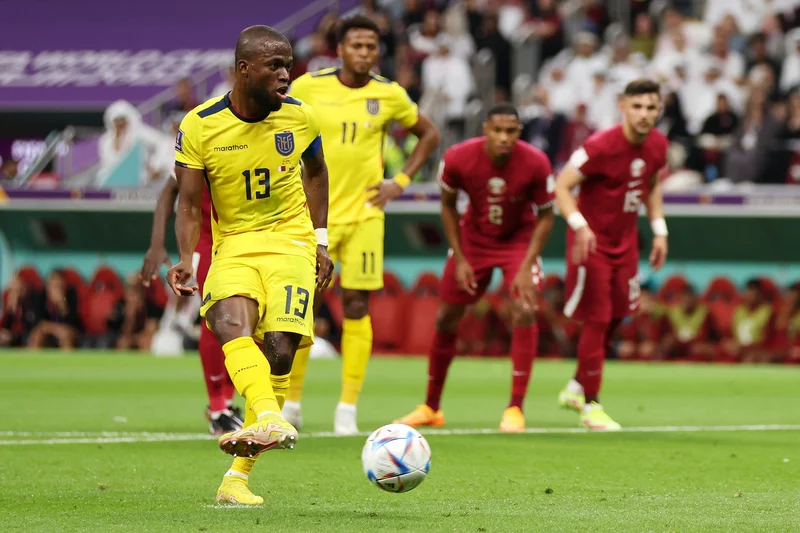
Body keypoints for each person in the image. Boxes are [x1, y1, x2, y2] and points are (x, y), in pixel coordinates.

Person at [165, 25, 334, 506]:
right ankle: (269, 417)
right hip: (234, 243)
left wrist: (321, 240)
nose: (286, 75)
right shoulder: (200, 125)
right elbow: (188, 203)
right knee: (228, 323)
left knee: (279, 349)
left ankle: (235, 479)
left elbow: (317, 172)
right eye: (275, 66)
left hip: (291, 242)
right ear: (244, 69)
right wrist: (185, 257)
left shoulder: (300, 117)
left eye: (289, 66)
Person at [285, 15, 440, 435]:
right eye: (356, 45)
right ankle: (292, 402)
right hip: (314, 216)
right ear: (339, 49)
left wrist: (399, 182)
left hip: (366, 215)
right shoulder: (307, 87)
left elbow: (429, 134)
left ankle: (347, 408)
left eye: (371, 46)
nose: (365, 53)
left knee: (356, 305)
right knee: (304, 306)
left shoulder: (389, 93)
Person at [394, 103, 556, 433]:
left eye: (510, 131)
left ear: (519, 132)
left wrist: (527, 264)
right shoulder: (458, 158)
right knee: (446, 316)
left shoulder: (537, 162)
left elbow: (546, 216)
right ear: (485, 130)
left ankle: (515, 408)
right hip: (473, 240)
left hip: (518, 241)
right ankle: (431, 407)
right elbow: (447, 206)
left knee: (525, 308)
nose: (503, 137)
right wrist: (460, 257)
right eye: (497, 130)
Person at [553, 78, 669, 431]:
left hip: (626, 244)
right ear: (623, 107)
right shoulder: (599, 145)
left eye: (651, 107)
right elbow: (562, 186)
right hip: (593, 244)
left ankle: (576, 386)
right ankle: (591, 405)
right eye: (637, 106)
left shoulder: (658, 145)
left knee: (619, 315)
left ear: (659, 110)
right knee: (599, 319)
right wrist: (580, 226)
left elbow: (651, 185)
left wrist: (660, 229)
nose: (644, 114)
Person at [141, 172, 243, 436]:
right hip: (207, 237)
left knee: (250, 319)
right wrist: (156, 244)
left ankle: (228, 402)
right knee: (217, 314)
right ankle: (218, 409)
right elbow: (170, 189)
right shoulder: (200, 145)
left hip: (247, 235)